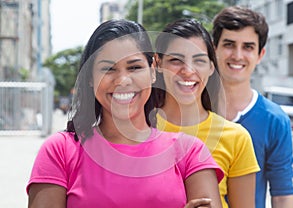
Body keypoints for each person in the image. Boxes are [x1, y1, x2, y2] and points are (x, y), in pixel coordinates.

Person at [26, 19, 224, 208]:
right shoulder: (60, 151)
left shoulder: (190, 153)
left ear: (153, 71)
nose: (122, 80)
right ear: (90, 78)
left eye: (135, 67)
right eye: (108, 69)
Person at [153, 18, 260, 208]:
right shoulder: (137, 129)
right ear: (158, 64)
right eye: (176, 60)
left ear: (211, 67)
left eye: (199, 60)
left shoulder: (237, 138)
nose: (188, 71)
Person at [212, 6, 293, 208]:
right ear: (213, 49)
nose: (238, 55)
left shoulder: (275, 120)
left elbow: (282, 195)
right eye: (229, 44)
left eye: (248, 47)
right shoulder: (189, 110)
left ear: (260, 54)